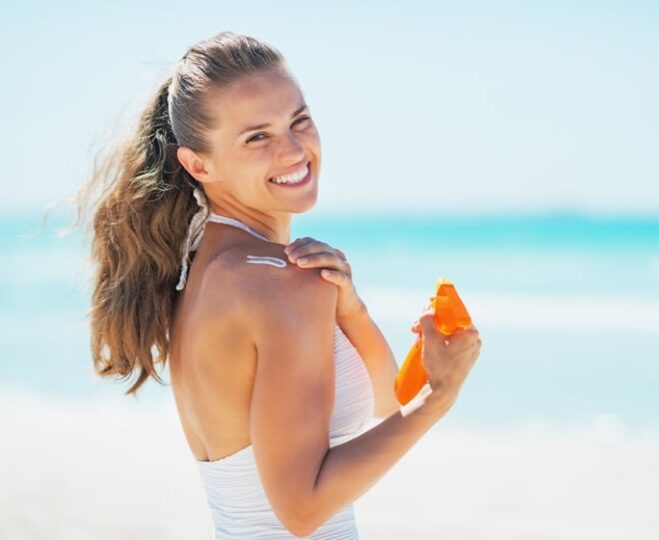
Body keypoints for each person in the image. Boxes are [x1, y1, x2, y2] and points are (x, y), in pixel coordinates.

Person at [73, 31, 482, 539]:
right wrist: (439, 398)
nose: (294, 149)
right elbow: (303, 509)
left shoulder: (204, 269)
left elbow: (382, 404)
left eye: (299, 120)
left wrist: (349, 310)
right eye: (257, 137)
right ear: (199, 164)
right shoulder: (276, 284)